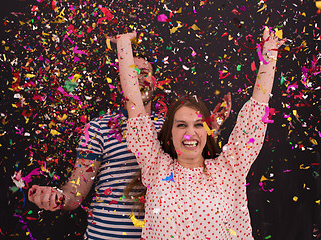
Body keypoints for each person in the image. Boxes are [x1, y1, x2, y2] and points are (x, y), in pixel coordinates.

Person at [28, 53, 231, 239]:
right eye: (130, 74)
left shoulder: (172, 128)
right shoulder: (98, 128)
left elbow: (198, 178)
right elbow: (75, 192)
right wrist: (59, 197)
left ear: (155, 83)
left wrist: (209, 134)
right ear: (120, 85)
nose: (138, 80)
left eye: (144, 73)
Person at [112, 27, 286, 239]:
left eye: (197, 124)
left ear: (207, 131)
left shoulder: (229, 170)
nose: (190, 133)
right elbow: (135, 106)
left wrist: (270, 53)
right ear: (170, 133)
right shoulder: (156, 166)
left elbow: (257, 109)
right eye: (182, 125)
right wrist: (123, 44)